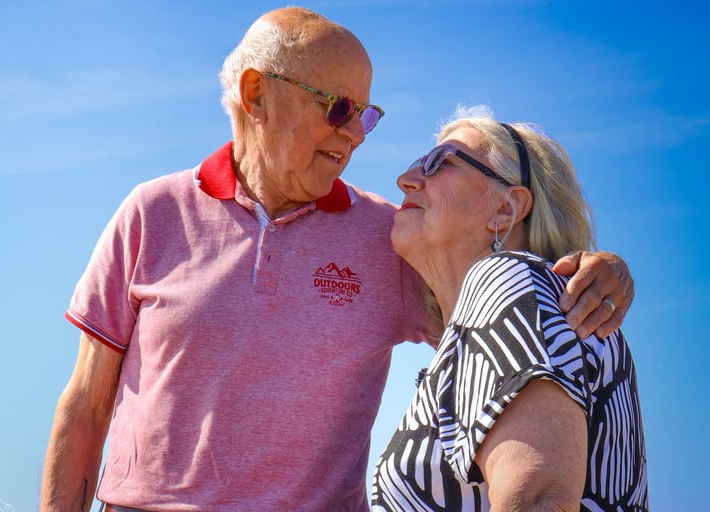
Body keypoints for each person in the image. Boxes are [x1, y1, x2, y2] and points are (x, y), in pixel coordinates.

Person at [40, 8, 635, 512]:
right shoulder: (150, 213)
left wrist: (595, 269)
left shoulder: (391, 237)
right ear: (256, 96)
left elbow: (504, 330)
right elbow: (86, 408)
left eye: (367, 115)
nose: (356, 134)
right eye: (337, 108)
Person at [372, 106, 648, 511]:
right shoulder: (530, 306)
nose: (407, 179)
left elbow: (539, 501)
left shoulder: (509, 282)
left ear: (505, 209)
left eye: (438, 163)